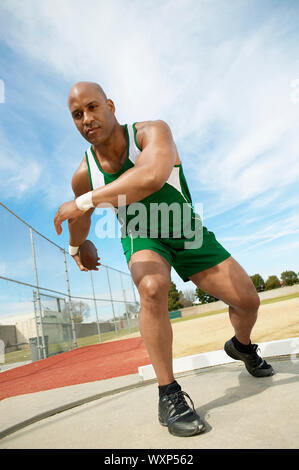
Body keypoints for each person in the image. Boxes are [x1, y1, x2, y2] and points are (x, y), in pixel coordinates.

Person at [54, 81, 274, 438]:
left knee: (248, 302)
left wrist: (82, 203)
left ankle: (242, 347)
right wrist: (77, 247)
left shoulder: (151, 132)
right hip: (142, 234)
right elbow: (79, 221)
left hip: (187, 231)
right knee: (153, 288)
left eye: (93, 107)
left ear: (110, 105)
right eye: (77, 115)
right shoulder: (85, 173)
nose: (87, 119)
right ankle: (168, 394)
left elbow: (151, 177)